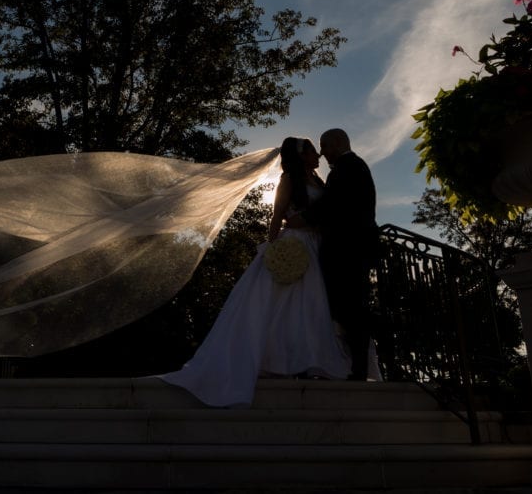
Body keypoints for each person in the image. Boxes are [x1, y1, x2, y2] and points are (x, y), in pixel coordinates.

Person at [155, 137, 358, 408]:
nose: (318, 153)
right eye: (311, 150)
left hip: (317, 246)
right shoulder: (289, 180)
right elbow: (277, 215)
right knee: (287, 304)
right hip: (294, 244)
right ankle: (279, 360)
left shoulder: (320, 181)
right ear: (301, 155)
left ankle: (311, 360)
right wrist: (272, 248)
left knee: (312, 306)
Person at [296, 128, 380, 381]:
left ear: (338, 143)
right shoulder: (349, 167)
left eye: (325, 146)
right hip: (348, 248)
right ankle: (347, 364)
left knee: (350, 308)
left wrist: (303, 218)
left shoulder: (349, 167)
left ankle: (357, 368)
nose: (322, 152)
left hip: (348, 250)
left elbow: (334, 203)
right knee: (343, 308)